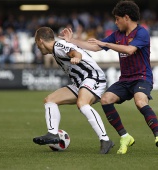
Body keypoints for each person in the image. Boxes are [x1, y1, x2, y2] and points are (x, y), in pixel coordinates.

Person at [59, 0, 158, 154]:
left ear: (126, 17)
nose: (115, 22)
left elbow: (130, 50)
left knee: (140, 101)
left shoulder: (142, 32)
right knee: (106, 99)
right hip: (125, 80)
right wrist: (72, 41)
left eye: (117, 19)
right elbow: (95, 46)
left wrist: (107, 44)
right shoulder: (117, 35)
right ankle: (125, 136)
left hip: (142, 77)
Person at [33, 26, 114, 154]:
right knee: (50, 100)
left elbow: (75, 53)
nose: (37, 46)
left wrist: (76, 57)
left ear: (40, 40)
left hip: (93, 78)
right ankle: (53, 134)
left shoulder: (58, 46)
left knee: (82, 103)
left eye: (36, 42)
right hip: (80, 83)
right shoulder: (56, 49)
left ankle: (105, 140)